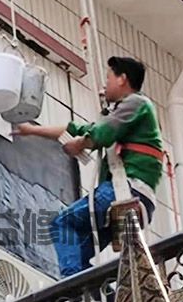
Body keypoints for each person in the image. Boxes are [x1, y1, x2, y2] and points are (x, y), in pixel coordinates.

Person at [12, 56, 163, 277]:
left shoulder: (136, 104)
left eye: (108, 77)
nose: (105, 84)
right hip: (134, 197)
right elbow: (76, 129)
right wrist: (32, 130)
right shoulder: (127, 115)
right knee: (78, 255)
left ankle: (73, 287)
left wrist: (82, 144)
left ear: (122, 79)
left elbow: (101, 133)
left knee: (62, 225)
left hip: (126, 191)